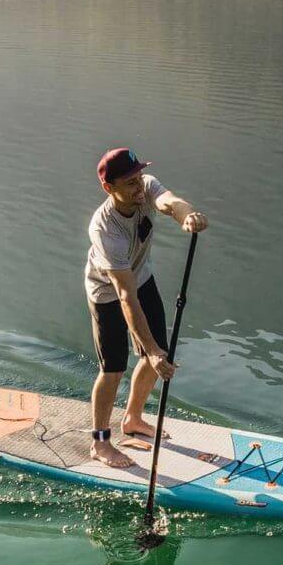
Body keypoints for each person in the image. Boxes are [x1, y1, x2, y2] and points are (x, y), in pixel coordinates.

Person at [83, 147, 208, 469]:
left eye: (139, 179)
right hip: (108, 292)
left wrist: (187, 217)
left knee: (160, 353)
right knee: (113, 368)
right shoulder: (105, 229)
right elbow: (125, 296)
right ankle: (100, 442)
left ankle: (133, 418)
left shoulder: (145, 187)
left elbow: (170, 203)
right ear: (109, 188)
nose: (140, 188)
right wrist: (148, 349)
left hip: (141, 277)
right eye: (130, 183)